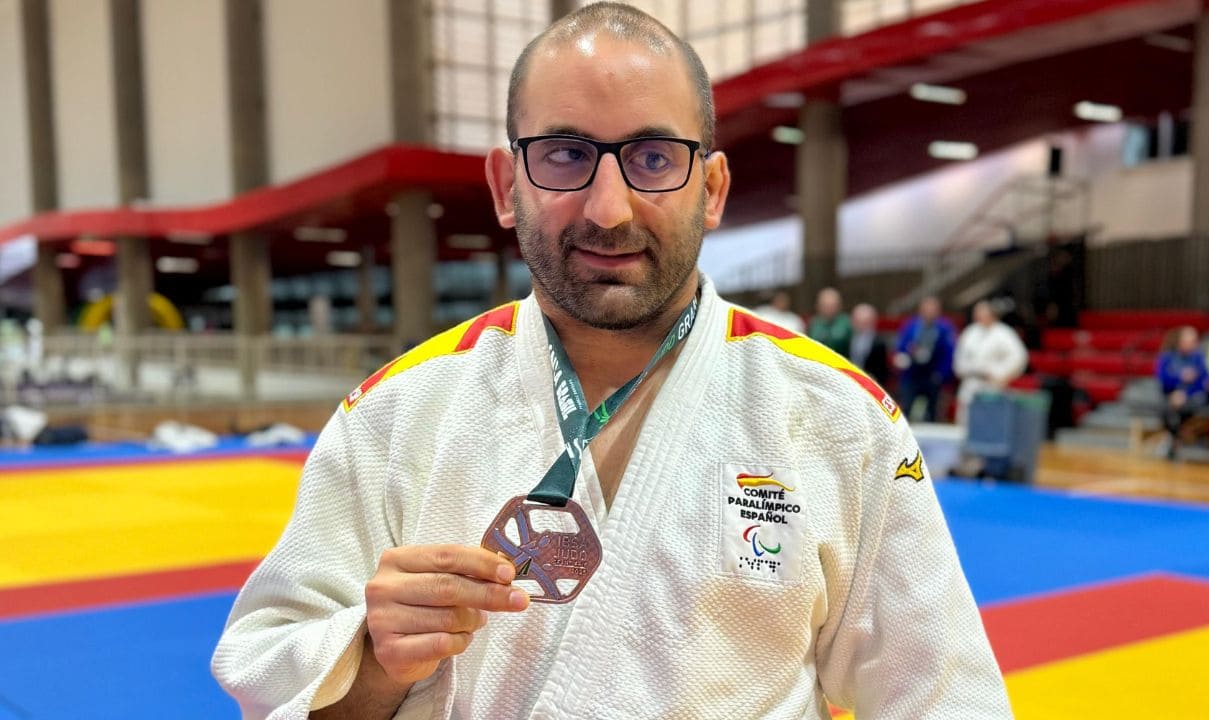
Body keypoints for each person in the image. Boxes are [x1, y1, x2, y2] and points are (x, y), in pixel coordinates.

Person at [211, 5, 1010, 719]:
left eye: (654, 158)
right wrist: (376, 658)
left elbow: (943, 699)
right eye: (563, 155)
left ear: (714, 187)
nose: (607, 207)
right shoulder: (394, 415)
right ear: (505, 182)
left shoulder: (841, 421)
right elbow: (275, 679)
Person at [953, 300, 1028, 427]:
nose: (979, 315)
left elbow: (1019, 357)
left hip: (991, 385)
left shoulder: (1004, 333)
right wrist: (963, 369)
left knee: (989, 424)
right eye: (977, 312)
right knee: (964, 423)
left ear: (991, 314)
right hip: (970, 383)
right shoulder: (970, 332)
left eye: (982, 312)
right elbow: (959, 357)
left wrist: (999, 372)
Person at [894, 296, 957, 423]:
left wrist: (941, 374)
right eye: (926, 310)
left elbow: (949, 354)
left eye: (933, 310)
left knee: (933, 413)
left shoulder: (945, 328)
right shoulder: (911, 326)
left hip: (933, 376)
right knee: (906, 410)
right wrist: (908, 352)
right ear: (921, 310)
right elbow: (900, 348)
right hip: (912, 375)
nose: (929, 313)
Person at [1156, 326, 1209, 460]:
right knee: (1166, 407)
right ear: (1180, 341)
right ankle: (1174, 439)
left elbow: (1206, 383)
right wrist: (1180, 377)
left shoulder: (1199, 359)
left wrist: (1186, 394)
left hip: (1193, 398)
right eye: (1189, 341)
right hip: (1171, 396)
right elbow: (1163, 379)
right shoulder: (1168, 357)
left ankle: (1174, 439)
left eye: (1194, 341)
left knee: (1184, 407)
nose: (1192, 344)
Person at [848, 302, 889, 385]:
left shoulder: (879, 343)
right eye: (858, 321)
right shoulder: (847, 339)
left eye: (865, 322)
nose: (861, 325)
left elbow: (883, 370)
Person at [807, 286, 852, 358]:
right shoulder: (813, 323)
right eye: (825, 305)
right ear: (818, 306)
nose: (829, 309)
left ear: (839, 306)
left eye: (832, 305)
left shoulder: (847, 323)